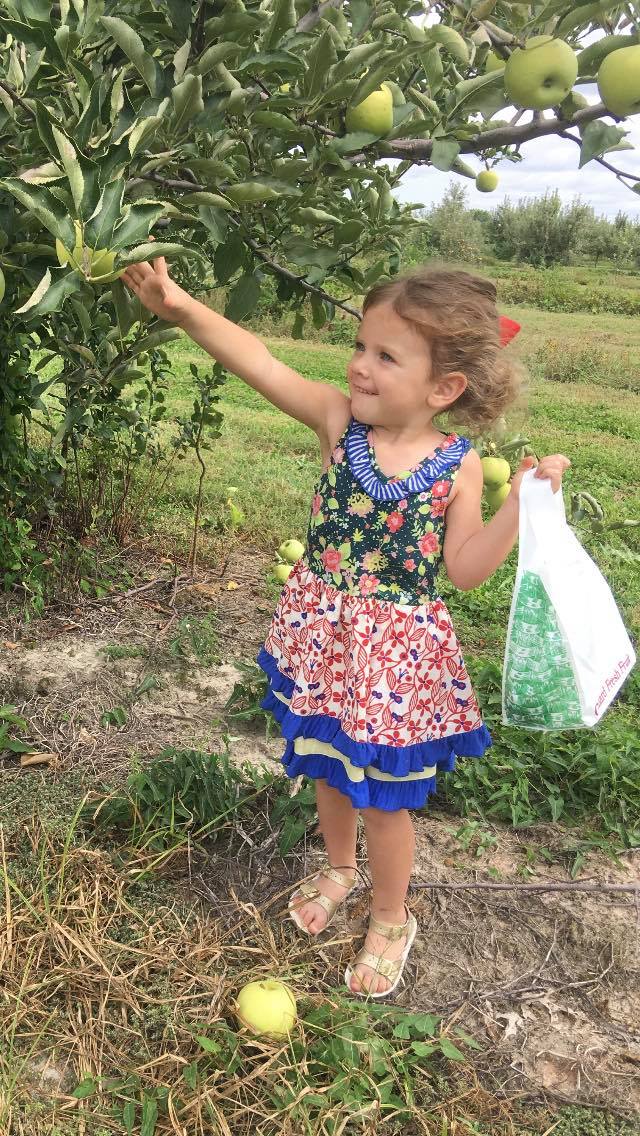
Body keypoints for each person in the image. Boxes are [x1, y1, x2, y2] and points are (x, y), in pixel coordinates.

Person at [121, 258, 570, 999]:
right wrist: (181, 308)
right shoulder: (337, 422)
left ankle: (391, 915)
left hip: (394, 661)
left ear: (443, 388)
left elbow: (463, 570)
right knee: (327, 767)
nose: (359, 367)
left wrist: (517, 504)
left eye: (385, 356)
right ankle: (338, 867)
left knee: (385, 800)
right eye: (360, 347)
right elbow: (260, 362)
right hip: (323, 642)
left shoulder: (459, 466)